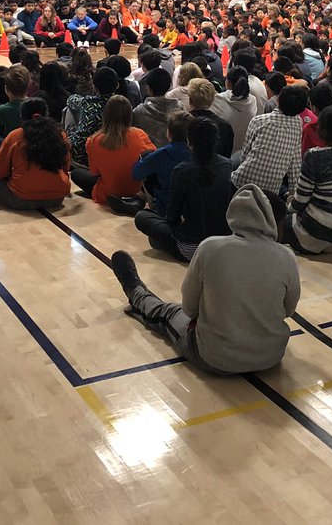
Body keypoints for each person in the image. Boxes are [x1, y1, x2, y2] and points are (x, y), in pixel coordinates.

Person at [111, 185, 300, 374]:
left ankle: (135, 291)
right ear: (272, 222)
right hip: (271, 357)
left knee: (168, 312)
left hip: (213, 358)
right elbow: (288, 310)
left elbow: (188, 308)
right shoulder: (287, 256)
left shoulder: (210, 248)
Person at [134, 117, 235, 261]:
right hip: (221, 243)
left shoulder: (182, 170)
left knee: (142, 218)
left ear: (189, 141)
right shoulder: (227, 165)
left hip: (190, 247)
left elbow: (172, 217)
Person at [0, 97, 71, 210]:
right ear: (46, 115)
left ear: (21, 117)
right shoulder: (60, 135)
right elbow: (65, 169)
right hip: (57, 197)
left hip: (21, 199)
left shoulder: (15, 136)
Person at [287, 106, 332, 253]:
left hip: (317, 232)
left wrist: (289, 208)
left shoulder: (314, 156)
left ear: (323, 131)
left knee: (282, 220)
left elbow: (301, 200)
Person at [76, 96, 156, 205]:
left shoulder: (93, 141)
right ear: (129, 115)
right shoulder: (140, 134)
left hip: (108, 193)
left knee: (77, 174)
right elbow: (152, 160)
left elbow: (94, 172)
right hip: (136, 190)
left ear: (106, 115)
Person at [231, 85, 306, 196]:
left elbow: (245, 154)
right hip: (271, 191)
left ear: (278, 100)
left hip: (243, 182)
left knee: (235, 158)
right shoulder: (298, 123)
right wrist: (293, 193)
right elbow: (295, 163)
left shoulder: (258, 121)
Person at [130, 109, 192, 218]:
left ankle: (142, 199)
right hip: (193, 209)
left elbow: (136, 173)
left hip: (165, 209)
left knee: (141, 217)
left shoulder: (161, 154)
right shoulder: (200, 154)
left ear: (168, 133)